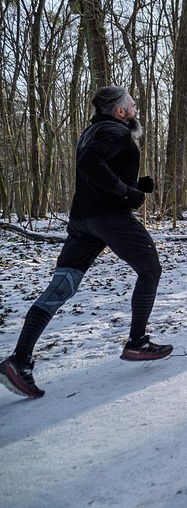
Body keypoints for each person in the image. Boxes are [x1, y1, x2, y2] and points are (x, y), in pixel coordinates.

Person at [1, 86, 172, 399]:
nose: (136, 110)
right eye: (132, 105)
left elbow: (97, 168)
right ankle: (137, 342)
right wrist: (125, 192)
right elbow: (91, 164)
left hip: (83, 221)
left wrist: (135, 185)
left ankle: (19, 360)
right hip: (110, 218)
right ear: (120, 111)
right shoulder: (116, 131)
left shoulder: (93, 130)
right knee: (150, 269)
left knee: (61, 287)